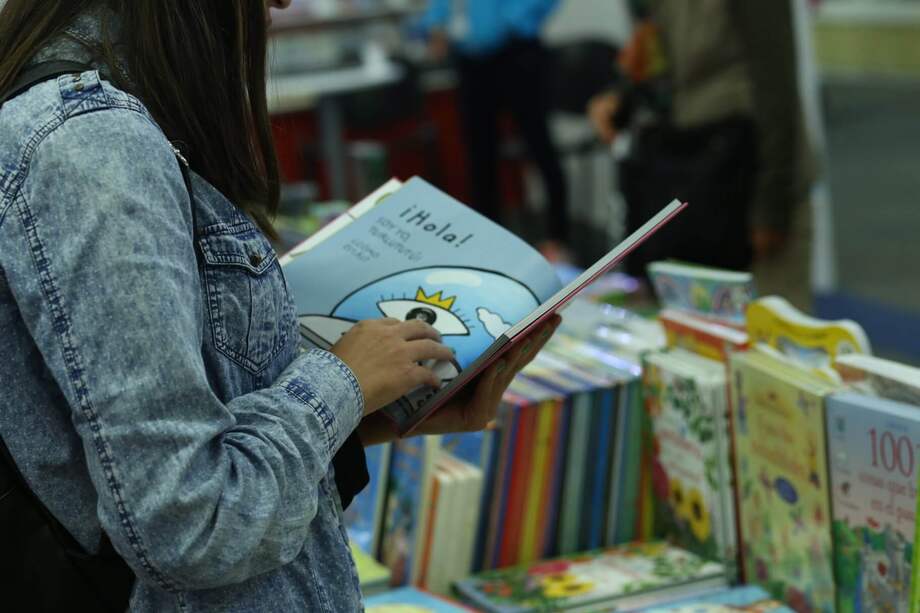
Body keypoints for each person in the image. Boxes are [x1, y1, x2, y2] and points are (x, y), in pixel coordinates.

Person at [0, 1, 559, 611]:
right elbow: (187, 524)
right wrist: (343, 381)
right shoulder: (94, 147)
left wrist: (365, 418)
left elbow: (152, 462)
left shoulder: (87, 123)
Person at [587, 0, 812, 281]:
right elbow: (660, 52)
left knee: (768, 305)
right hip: (697, 185)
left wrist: (771, 209)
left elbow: (775, 84)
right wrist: (621, 97)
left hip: (754, 184)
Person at [418, 0, 572, 260]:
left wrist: (508, 22)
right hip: (471, 62)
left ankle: (559, 239)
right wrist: (435, 25)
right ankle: (488, 248)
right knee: (479, 158)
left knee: (540, 148)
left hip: (516, 54)